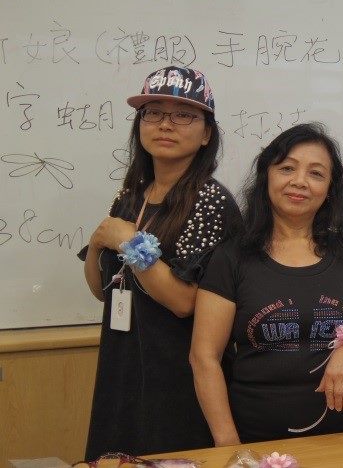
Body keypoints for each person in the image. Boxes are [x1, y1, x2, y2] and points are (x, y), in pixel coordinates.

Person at [190, 123, 343, 446]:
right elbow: (204, 356)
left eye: (316, 174)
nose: (299, 182)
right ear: (267, 176)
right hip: (256, 443)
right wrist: (228, 444)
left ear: (330, 188)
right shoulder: (231, 257)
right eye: (287, 168)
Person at [80, 66, 242, 458]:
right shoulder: (133, 192)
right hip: (122, 365)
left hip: (177, 379)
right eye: (153, 112)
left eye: (183, 115)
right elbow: (102, 285)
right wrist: (101, 239)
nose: (165, 124)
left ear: (206, 133)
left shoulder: (211, 201)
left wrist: (127, 240)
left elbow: (184, 301)